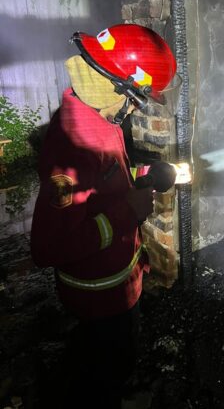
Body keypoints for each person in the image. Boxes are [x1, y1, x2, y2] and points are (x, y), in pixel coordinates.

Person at [30, 24, 177, 408]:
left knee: (110, 361)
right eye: (138, 98)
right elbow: (48, 247)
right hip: (98, 300)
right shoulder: (73, 146)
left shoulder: (99, 121)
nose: (134, 107)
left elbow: (107, 183)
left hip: (118, 286)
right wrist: (126, 214)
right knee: (104, 375)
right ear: (118, 86)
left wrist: (146, 176)